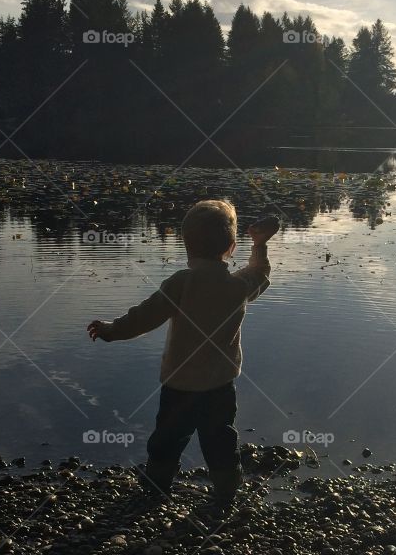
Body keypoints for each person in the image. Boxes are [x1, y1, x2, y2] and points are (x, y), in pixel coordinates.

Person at [87, 200, 278, 508]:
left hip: (180, 386)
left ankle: (157, 486)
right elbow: (260, 273)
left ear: (186, 245)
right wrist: (260, 244)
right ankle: (226, 491)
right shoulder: (237, 286)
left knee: (166, 439)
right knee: (220, 441)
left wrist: (112, 330)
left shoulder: (181, 283)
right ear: (231, 246)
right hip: (219, 386)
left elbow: (144, 317)